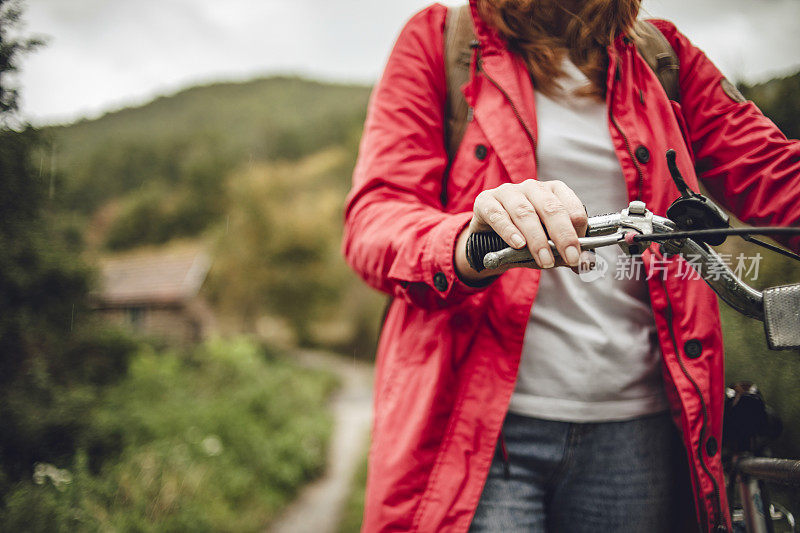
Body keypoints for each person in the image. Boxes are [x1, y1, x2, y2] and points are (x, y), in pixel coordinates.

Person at [342, 0, 800, 531]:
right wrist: (466, 242)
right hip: (481, 437)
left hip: (636, 432)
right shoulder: (441, 41)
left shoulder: (664, 58)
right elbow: (375, 218)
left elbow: (775, 174)